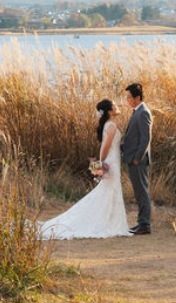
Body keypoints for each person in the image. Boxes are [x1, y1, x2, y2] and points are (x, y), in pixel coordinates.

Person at [38, 99, 132, 240]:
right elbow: (105, 147)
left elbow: (104, 147)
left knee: (107, 191)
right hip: (111, 162)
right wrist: (100, 164)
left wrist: (100, 162)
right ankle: (110, 224)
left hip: (111, 160)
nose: (117, 106)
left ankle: (111, 222)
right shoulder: (111, 125)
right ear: (109, 111)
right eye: (114, 105)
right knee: (110, 190)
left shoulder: (108, 124)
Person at [120, 82, 152, 235]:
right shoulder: (136, 112)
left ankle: (145, 225)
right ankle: (141, 223)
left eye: (129, 97)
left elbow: (146, 139)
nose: (127, 100)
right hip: (132, 158)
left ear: (137, 97)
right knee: (139, 193)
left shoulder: (143, 112)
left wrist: (137, 158)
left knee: (142, 192)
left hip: (138, 160)